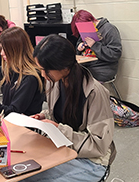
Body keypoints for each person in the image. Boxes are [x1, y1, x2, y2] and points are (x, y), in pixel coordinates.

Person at [21, 34, 116, 182]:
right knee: (22, 173)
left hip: (91, 161)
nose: (42, 75)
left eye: (45, 70)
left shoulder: (95, 92)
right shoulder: (54, 81)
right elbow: (61, 112)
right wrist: (44, 116)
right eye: (40, 69)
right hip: (64, 149)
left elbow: (99, 145)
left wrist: (58, 129)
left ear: (64, 67)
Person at [71, 9, 122, 82]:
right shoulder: (84, 29)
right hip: (86, 65)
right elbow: (79, 47)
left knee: (80, 80)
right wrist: (79, 48)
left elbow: (115, 54)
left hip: (103, 67)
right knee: (68, 75)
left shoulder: (109, 29)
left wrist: (95, 45)